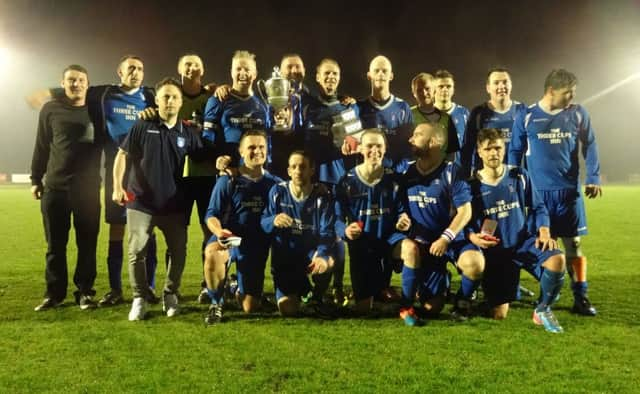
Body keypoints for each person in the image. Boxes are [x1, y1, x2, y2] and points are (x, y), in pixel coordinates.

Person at [27, 55, 160, 306]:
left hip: (120, 181)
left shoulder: (143, 97)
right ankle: (73, 292)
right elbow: (43, 143)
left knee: (130, 237)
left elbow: (174, 98)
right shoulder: (98, 96)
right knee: (69, 242)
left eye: (140, 68)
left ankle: (127, 288)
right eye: (130, 67)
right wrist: (48, 92)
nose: (136, 72)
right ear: (119, 72)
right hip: (85, 181)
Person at [509, 69, 602, 316]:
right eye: (567, 93)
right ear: (551, 91)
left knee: (574, 245)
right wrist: (514, 186)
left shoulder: (578, 113)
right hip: (538, 196)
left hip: (568, 194)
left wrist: (593, 177)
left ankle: (581, 296)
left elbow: (590, 144)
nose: (571, 97)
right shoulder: (527, 115)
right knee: (531, 245)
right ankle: (533, 289)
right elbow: (514, 153)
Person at [112, 77, 203, 320]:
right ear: (157, 100)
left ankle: (170, 293)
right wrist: (117, 186)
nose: (170, 100)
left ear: (181, 101)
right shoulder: (143, 125)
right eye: (165, 96)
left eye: (174, 96)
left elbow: (202, 159)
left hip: (174, 205)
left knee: (178, 252)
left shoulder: (189, 132)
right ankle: (139, 297)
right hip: (141, 201)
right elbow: (122, 155)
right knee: (136, 251)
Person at [469, 128, 566, 332]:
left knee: (557, 260)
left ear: (503, 149)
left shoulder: (519, 175)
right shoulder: (472, 185)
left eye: (498, 148)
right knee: (499, 315)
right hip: (496, 253)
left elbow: (538, 207)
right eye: (488, 149)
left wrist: (544, 230)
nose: (493, 153)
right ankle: (480, 299)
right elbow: (464, 221)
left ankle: (543, 309)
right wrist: (473, 237)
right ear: (479, 151)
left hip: (524, 244)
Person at [31, 65, 102, 311]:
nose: (76, 84)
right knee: (55, 246)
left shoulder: (97, 110)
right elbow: (41, 146)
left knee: (87, 245)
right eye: (71, 80)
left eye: (81, 80)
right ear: (63, 83)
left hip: (88, 191)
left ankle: (84, 292)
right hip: (56, 189)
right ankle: (54, 294)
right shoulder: (50, 109)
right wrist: (34, 179)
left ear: (87, 84)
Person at [399, 122, 485, 324]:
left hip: (452, 240)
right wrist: (402, 218)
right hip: (425, 245)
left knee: (475, 263)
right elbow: (400, 206)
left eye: (418, 135)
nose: (411, 139)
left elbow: (465, 212)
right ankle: (440, 283)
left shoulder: (453, 172)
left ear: (435, 141)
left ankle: (463, 302)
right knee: (431, 308)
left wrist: (446, 238)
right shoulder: (408, 173)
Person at [202, 130, 280, 324]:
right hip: (230, 239)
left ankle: (236, 285)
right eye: (251, 147)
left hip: (255, 245)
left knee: (250, 307)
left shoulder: (275, 184)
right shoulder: (228, 180)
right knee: (212, 253)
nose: (257, 151)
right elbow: (211, 214)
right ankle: (216, 302)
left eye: (261, 147)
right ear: (241, 151)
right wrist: (220, 232)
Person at [301, 58, 361, 304]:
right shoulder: (308, 108)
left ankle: (337, 286)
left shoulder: (349, 108)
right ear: (317, 77)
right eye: (325, 74)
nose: (330, 78)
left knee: (336, 234)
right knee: (310, 233)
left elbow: (355, 145)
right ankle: (313, 285)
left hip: (337, 181)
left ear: (339, 77)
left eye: (334, 74)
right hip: (311, 182)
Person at [335, 129, 412, 314]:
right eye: (370, 146)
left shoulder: (394, 179)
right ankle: (378, 293)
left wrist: (404, 219)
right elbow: (336, 219)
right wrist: (345, 231)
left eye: (379, 146)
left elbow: (403, 211)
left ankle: (408, 304)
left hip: (389, 241)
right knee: (363, 309)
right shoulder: (347, 181)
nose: (374, 150)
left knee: (411, 249)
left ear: (385, 149)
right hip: (363, 245)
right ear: (360, 148)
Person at [262, 151, 336, 316]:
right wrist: (273, 220)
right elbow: (263, 222)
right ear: (288, 171)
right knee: (287, 309)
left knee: (329, 259)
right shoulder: (278, 192)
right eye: (293, 167)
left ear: (312, 170)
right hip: (285, 259)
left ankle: (317, 297)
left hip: (311, 255)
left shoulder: (322, 196)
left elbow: (327, 231)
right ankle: (304, 289)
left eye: (302, 167)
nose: (298, 171)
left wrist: (321, 255)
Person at [203, 50, 270, 171]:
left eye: (247, 69)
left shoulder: (263, 104)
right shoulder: (218, 100)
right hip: (229, 170)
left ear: (255, 74)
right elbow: (208, 137)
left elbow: (268, 138)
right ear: (231, 72)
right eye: (238, 69)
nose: (242, 73)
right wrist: (217, 159)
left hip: (257, 171)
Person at [461, 67, 527, 177]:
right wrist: (469, 174)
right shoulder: (478, 113)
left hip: (514, 176)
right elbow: (468, 148)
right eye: (496, 83)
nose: (501, 86)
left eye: (505, 82)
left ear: (511, 85)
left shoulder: (522, 110)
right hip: (486, 179)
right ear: (488, 88)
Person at [356, 55, 414, 174]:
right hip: (366, 174)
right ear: (369, 75)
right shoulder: (358, 107)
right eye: (376, 71)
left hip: (393, 175)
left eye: (384, 71)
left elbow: (408, 149)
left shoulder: (402, 108)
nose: (381, 74)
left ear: (391, 75)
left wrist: (396, 172)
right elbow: (353, 144)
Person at [410, 72, 460, 162]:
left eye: (427, 89)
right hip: (418, 171)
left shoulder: (446, 118)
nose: (424, 93)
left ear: (434, 90)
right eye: (419, 90)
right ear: (414, 93)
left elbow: (452, 151)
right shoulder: (408, 115)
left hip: (441, 172)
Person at [433, 69, 470, 166]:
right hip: (433, 172)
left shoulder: (464, 114)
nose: (445, 89)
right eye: (441, 86)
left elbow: (471, 145)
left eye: (448, 86)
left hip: (459, 172)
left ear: (453, 89)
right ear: (433, 89)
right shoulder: (425, 113)